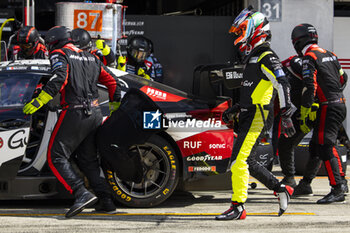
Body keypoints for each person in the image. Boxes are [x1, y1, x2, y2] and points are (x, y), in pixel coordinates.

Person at [23, 26, 121, 218]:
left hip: (74, 113)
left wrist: (38, 101)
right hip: (95, 113)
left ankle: (80, 192)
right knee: (89, 160)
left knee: (55, 156)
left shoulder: (60, 54)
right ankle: (106, 200)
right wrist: (114, 108)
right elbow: (113, 82)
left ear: (54, 42)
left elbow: (59, 78)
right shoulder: (91, 57)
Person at [216, 6, 295, 221]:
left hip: (258, 116)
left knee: (238, 162)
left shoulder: (266, 56)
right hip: (249, 114)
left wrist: (287, 112)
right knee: (247, 161)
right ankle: (281, 188)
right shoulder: (253, 57)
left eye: (242, 31)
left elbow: (282, 82)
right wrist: (234, 110)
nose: (239, 37)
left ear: (254, 29)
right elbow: (253, 91)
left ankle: (238, 206)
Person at [291, 23, 347, 204]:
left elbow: (310, 86)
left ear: (297, 42)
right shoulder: (330, 54)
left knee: (325, 145)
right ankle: (306, 183)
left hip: (328, 106)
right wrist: (334, 94)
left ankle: (338, 188)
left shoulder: (309, 57)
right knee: (316, 145)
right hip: (338, 103)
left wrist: (306, 111)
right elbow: (343, 78)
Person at [275, 55, 318, 188]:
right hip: (303, 110)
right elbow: (276, 103)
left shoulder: (292, 62)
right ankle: (290, 179)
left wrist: (315, 102)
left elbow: (315, 81)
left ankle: (339, 184)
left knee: (324, 146)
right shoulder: (272, 77)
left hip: (321, 107)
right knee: (285, 141)